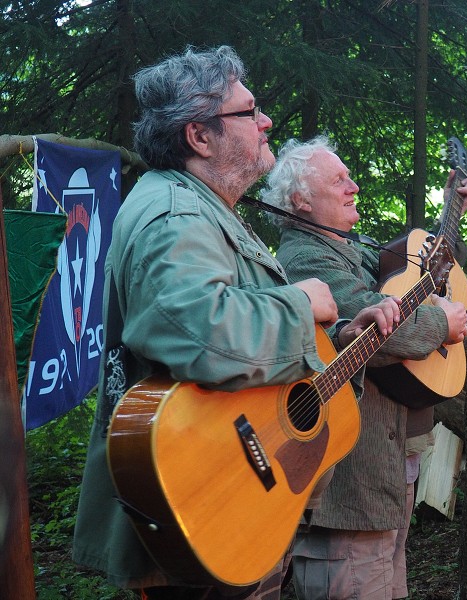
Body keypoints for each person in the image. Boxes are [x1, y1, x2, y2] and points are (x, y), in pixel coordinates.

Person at [71, 46, 400, 600]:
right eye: (248, 112)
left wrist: (338, 337)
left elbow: (242, 337)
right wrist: (300, 303)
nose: (266, 120)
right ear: (199, 137)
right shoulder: (175, 215)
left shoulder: (205, 208)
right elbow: (196, 331)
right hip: (200, 501)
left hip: (231, 501)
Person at [260, 135, 467, 600]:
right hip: (346, 494)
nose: (354, 186)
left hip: (380, 480)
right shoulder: (307, 258)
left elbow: (418, 281)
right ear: (300, 200)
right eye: (339, 180)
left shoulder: (352, 250)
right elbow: (381, 331)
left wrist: (451, 212)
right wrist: (441, 321)